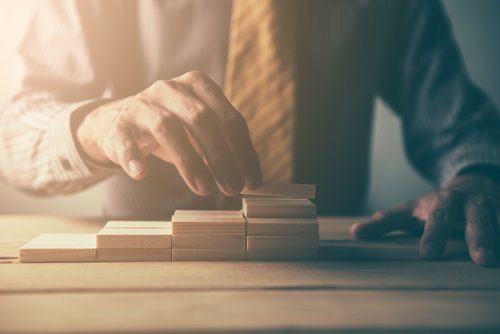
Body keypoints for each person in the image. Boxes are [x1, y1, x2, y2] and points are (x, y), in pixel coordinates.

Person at [1, 0, 499, 266]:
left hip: (329, 273)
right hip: (139, 271)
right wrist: (97, 125)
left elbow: (461, 128)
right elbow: (12, 133)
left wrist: (478, 177)